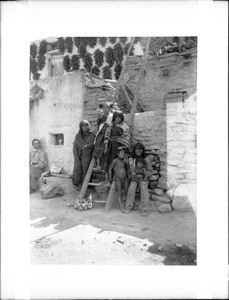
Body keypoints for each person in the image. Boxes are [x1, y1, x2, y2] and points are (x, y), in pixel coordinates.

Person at [124, 142, 152, 217]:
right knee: (132, 188)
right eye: (137, 149)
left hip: (143, 178)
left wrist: (144, 176)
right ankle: (128, 206)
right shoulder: (132, 159)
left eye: (140, 150)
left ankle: (145, 208)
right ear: (134, 150)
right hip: (134, 178)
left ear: (143, 151)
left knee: (143, 188)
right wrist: (131, 176)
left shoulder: (146, 159)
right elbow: (128, 171)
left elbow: (150, 171)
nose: (139, 151)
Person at [104, 111, 130, 176]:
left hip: (120, 146)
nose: (117, 119)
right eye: (116, 117)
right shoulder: (111, 126)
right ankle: (109, 178)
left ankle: (117, 177)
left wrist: (123, 146)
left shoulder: (125, 126)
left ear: (121, 118)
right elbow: (107, 135)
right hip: (111, 146)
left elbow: (127, 136)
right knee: (110, 161)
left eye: (119, 117)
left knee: (119, 162)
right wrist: (106, 147)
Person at [72, 120, 96, 189]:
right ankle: (78, 184)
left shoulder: (92, 134)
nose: (85, 127)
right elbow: (76, 146)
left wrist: (87, 146)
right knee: (78, 168)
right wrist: (78, 155)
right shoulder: (78, 136)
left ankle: (85, 186)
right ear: (80, 127)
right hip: (79, 154)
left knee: (86, 170)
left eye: (86, 125)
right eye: (83, 126)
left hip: (87, 155)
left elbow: (94, 144)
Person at [93, 102, 113, 171]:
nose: (105, 109)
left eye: (107, 107)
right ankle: (98, 165)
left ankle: (105, 166)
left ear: (109, 108)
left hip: (109, 133)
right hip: (101, 133)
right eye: (104, 107)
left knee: (106, 150)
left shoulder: (112, 116)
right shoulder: (101, 116)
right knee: (98, 146)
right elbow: (98, 125)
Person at [108, 146, 129, 213]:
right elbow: (110, 169)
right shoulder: (115, 161)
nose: (123, 154)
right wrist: (110, 178)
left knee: (126, 191)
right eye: (121, 152)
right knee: (119, 193)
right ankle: (121, 208)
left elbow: (127, 168)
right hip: (118, 178)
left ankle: (125, 205)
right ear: (118, 153)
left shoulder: (124, 161)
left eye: (124, 152)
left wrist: (126, 162)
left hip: (124, 178)